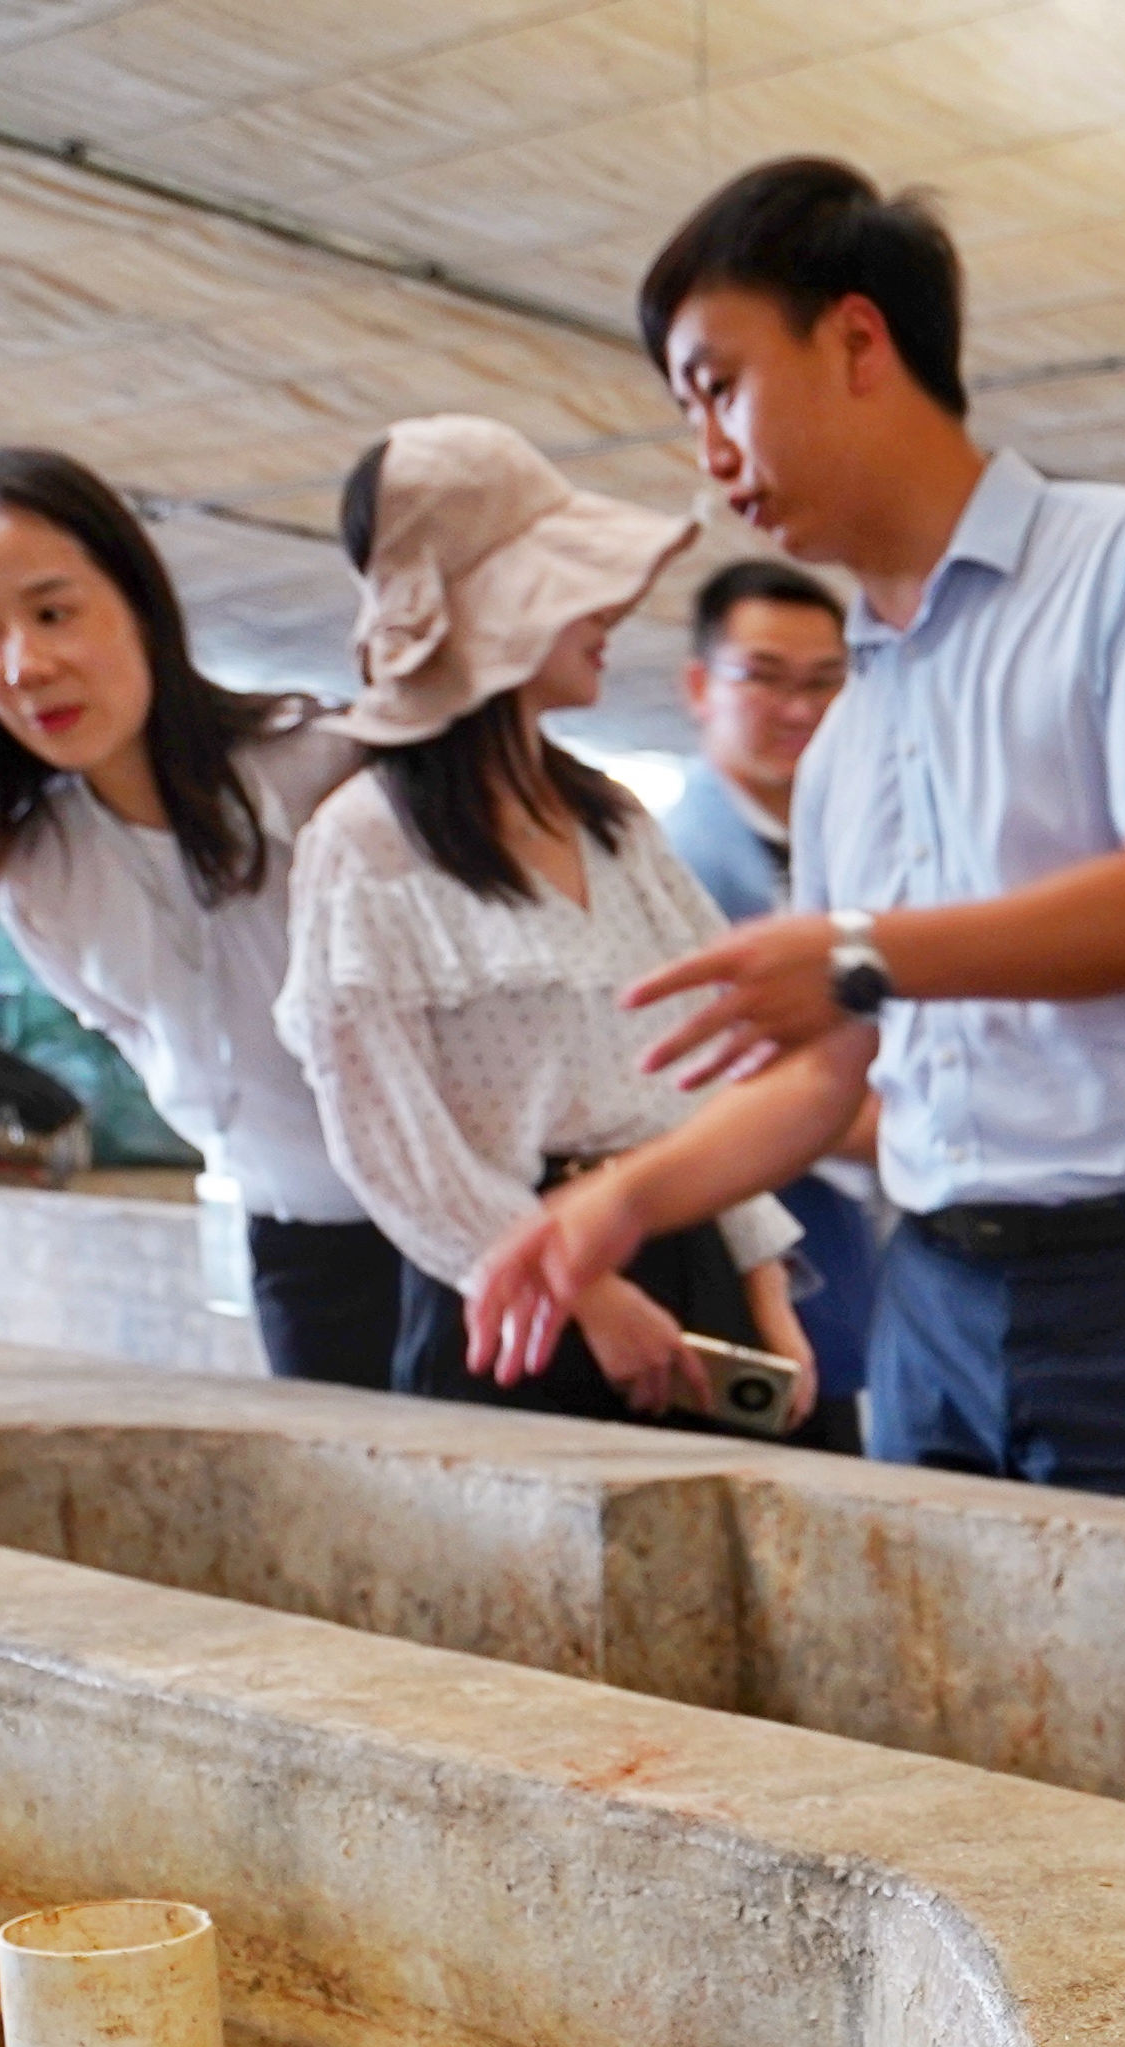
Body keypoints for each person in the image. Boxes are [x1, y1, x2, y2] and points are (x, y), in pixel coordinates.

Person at [457, 157, 1125, 1516]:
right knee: (928, 1716)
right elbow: (830, 1078)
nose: (710, 452)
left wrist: (858, 953)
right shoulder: (850, 731)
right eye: (690, 411)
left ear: (857, 340)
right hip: (934, 1295)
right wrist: (623, 1203)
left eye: (721, 386)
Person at [280, 417, 817, 1428]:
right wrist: (585, 1295)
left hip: (682, 1249)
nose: (607, 610)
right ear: (488, 610)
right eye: (565, 584)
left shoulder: (613, 821)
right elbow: (388, 1139)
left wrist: (763, 1290)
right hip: (510, 1298)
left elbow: (706, 1078)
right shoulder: (364, 843)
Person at [0, 445, 409, 1390]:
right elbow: (143, 1041)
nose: (25, 664)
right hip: (298, 1248)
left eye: (54, 612)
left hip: (460, 1243)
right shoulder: (32, 869)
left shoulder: (323, 768)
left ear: (138, 599)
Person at [666, 554, 885, 1434]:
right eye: (764, 678)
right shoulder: (687, 867)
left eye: (825, 682)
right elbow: (748, 1089)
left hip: (838, 1260)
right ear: (699, 684)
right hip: (749, 1279)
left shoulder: (815, 847)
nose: (799, 710)